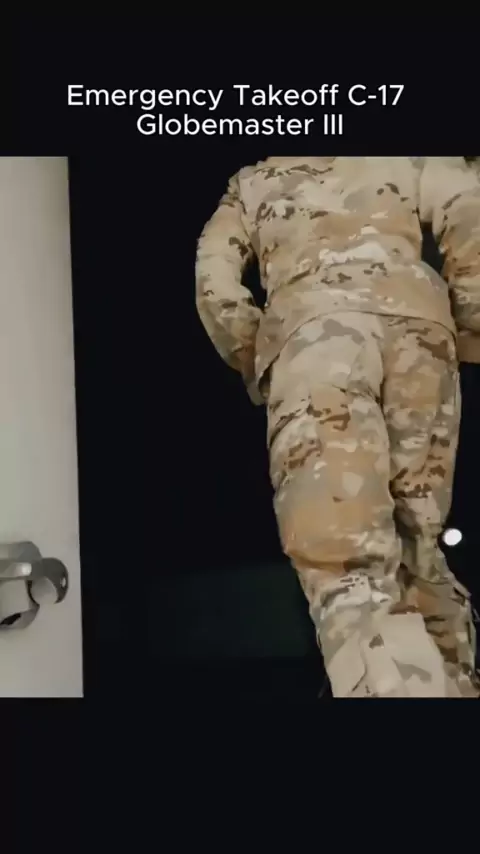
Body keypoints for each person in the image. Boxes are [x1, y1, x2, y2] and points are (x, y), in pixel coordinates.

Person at [195, 156, 480, 699]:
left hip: (315, 340)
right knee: (419, 548)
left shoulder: (253, 182)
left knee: (345, 562)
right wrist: (466, 323)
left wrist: (258, 349)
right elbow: (469, 204)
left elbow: (214, 279)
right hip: (420, 333)